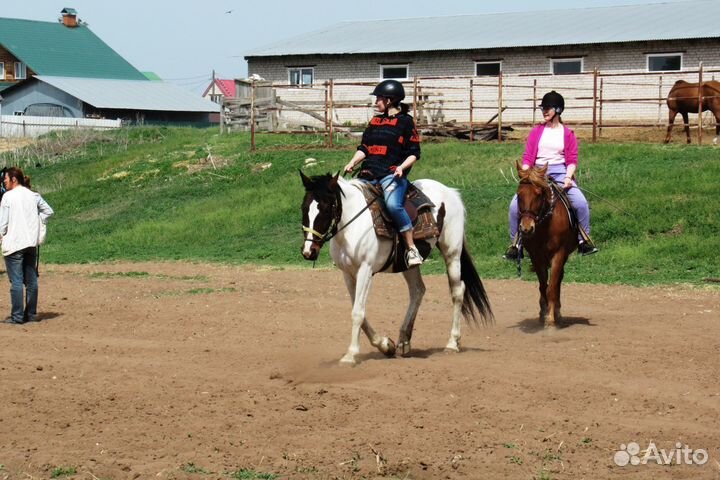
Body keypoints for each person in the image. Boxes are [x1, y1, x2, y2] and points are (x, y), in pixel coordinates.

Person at [504, 91, 598, 260]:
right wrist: (526, 173)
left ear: (558, 110)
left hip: (561, 172)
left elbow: (571, 160)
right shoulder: (536, 132)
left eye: (547, 108)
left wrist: (568, 177)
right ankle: (515, 244)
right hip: (537, 173)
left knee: (581, 203)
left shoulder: (568, 134)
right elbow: (528, 157)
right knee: (513, 207)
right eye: (543, 108)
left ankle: (584, 240)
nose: (544, 111)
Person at [344, 79, 424, 267]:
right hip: (368, 174)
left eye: (379, 98)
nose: (376, 102)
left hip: (391, 175)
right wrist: (353, 161)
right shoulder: (375, 121)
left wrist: (401, 168)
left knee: (393, 205)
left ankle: (412, 249)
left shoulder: (406, 122)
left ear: (389, 100)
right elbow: (365, 148)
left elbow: (414, 153)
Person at [0, 167, 54, 324]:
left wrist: (1, 234)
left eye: (6, 178)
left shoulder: (7, 197)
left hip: (14, 243)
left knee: (16, 281)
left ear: (14, 179)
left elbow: (2, 223)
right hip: (30, 243)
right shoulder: (33, 195)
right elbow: (49, 211)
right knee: (31, 280)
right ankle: (31, 314)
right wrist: (38, 220)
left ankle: (17, 317)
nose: (4, 181)